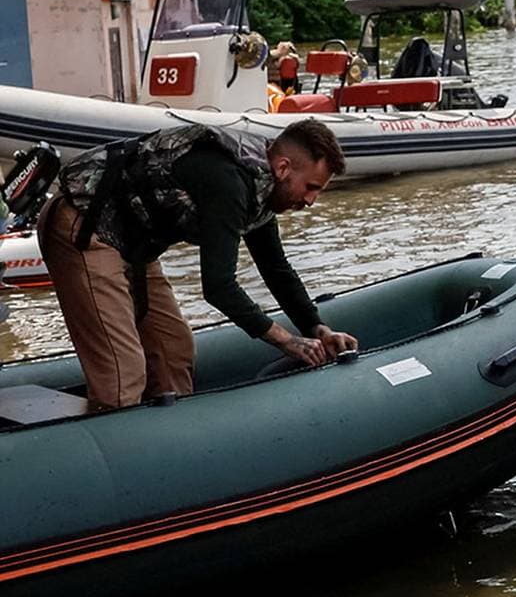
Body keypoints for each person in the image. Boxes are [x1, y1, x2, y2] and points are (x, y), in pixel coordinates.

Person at [39, 118, 357, 410]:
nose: (311, 201)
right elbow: (219, 286)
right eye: (311, 187)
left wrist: (317, 327)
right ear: (284, 168)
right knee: (123, 371)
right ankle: (119, 443)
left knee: (173, 348)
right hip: (84, 226)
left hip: (135, 244)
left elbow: (276, 268)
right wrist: (286, 341)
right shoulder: (229, 181)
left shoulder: (264, 188)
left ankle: (173, 441)